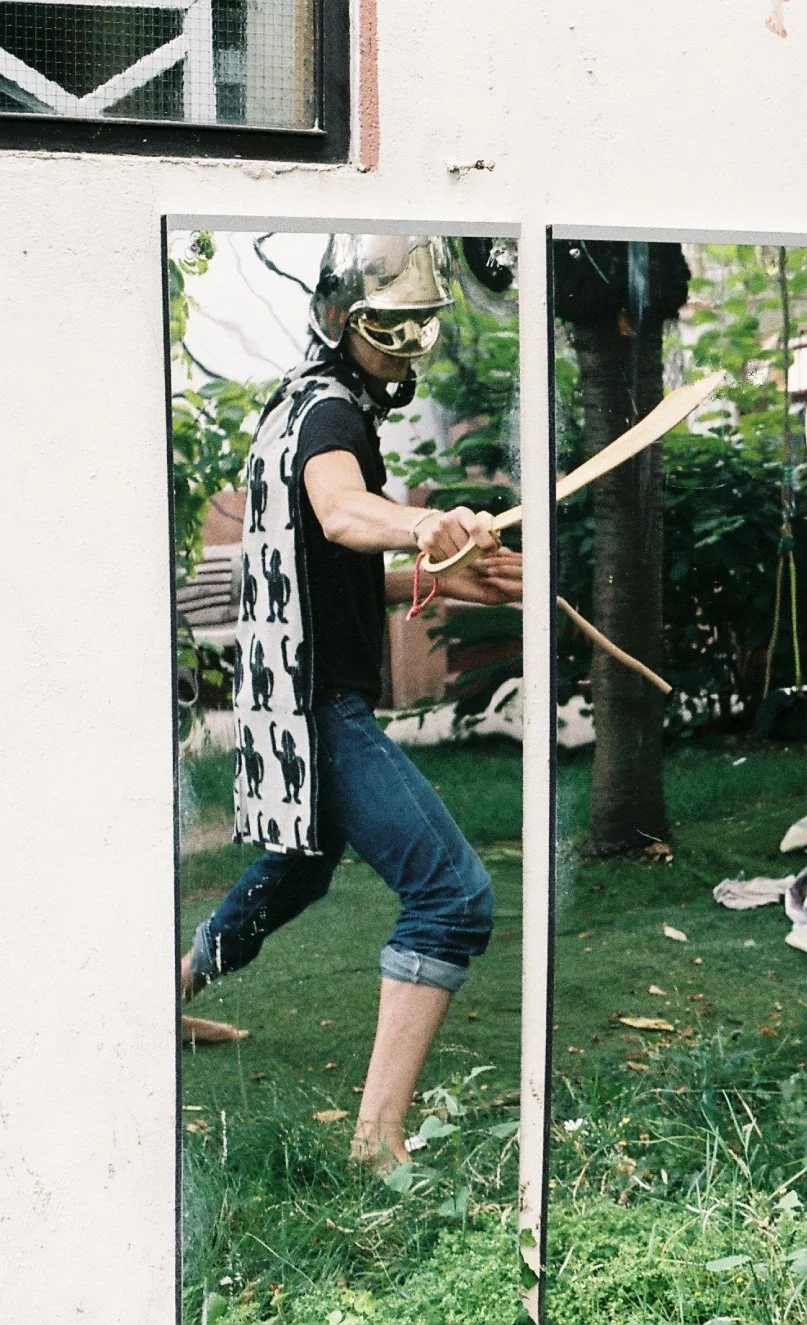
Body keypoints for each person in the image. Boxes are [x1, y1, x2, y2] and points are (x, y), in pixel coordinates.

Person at [180, 234, 524, 1169]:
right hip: (318, 703)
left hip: (289, 694)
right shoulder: (334, 416)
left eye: (420, 327)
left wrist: (457, 576)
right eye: (388, 327)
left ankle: (167, 995)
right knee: (453, 897)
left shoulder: (292, 402)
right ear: (340, 320)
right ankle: (376, 1140)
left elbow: (325, 567)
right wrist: (424, 522)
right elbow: (339, 511)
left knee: (299, 869)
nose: (407, 349)